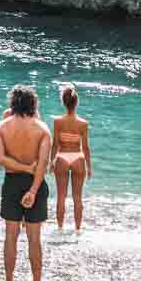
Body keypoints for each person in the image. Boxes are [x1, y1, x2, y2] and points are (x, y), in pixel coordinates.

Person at [0, 85, 52, 281]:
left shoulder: (2, 127)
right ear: (33, 104)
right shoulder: (43, 129)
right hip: (35, 183)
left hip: (11, 182)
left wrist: (21, 167)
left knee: (10, 236)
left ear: (13, 103)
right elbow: (43, 164)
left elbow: (0, 159)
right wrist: (33, 191)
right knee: (34, 239)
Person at [52, 84, 92, 234]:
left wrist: (51, 162)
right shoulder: (83, 123)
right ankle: (77, 229)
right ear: (77, 103)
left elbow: (55, 144)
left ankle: (60, 228)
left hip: (62, 157)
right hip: (78, 158)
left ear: (63, 102)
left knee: (61, 197)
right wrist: (89, 166)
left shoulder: (57, 122)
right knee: (77, 198)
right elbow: (86, 147)